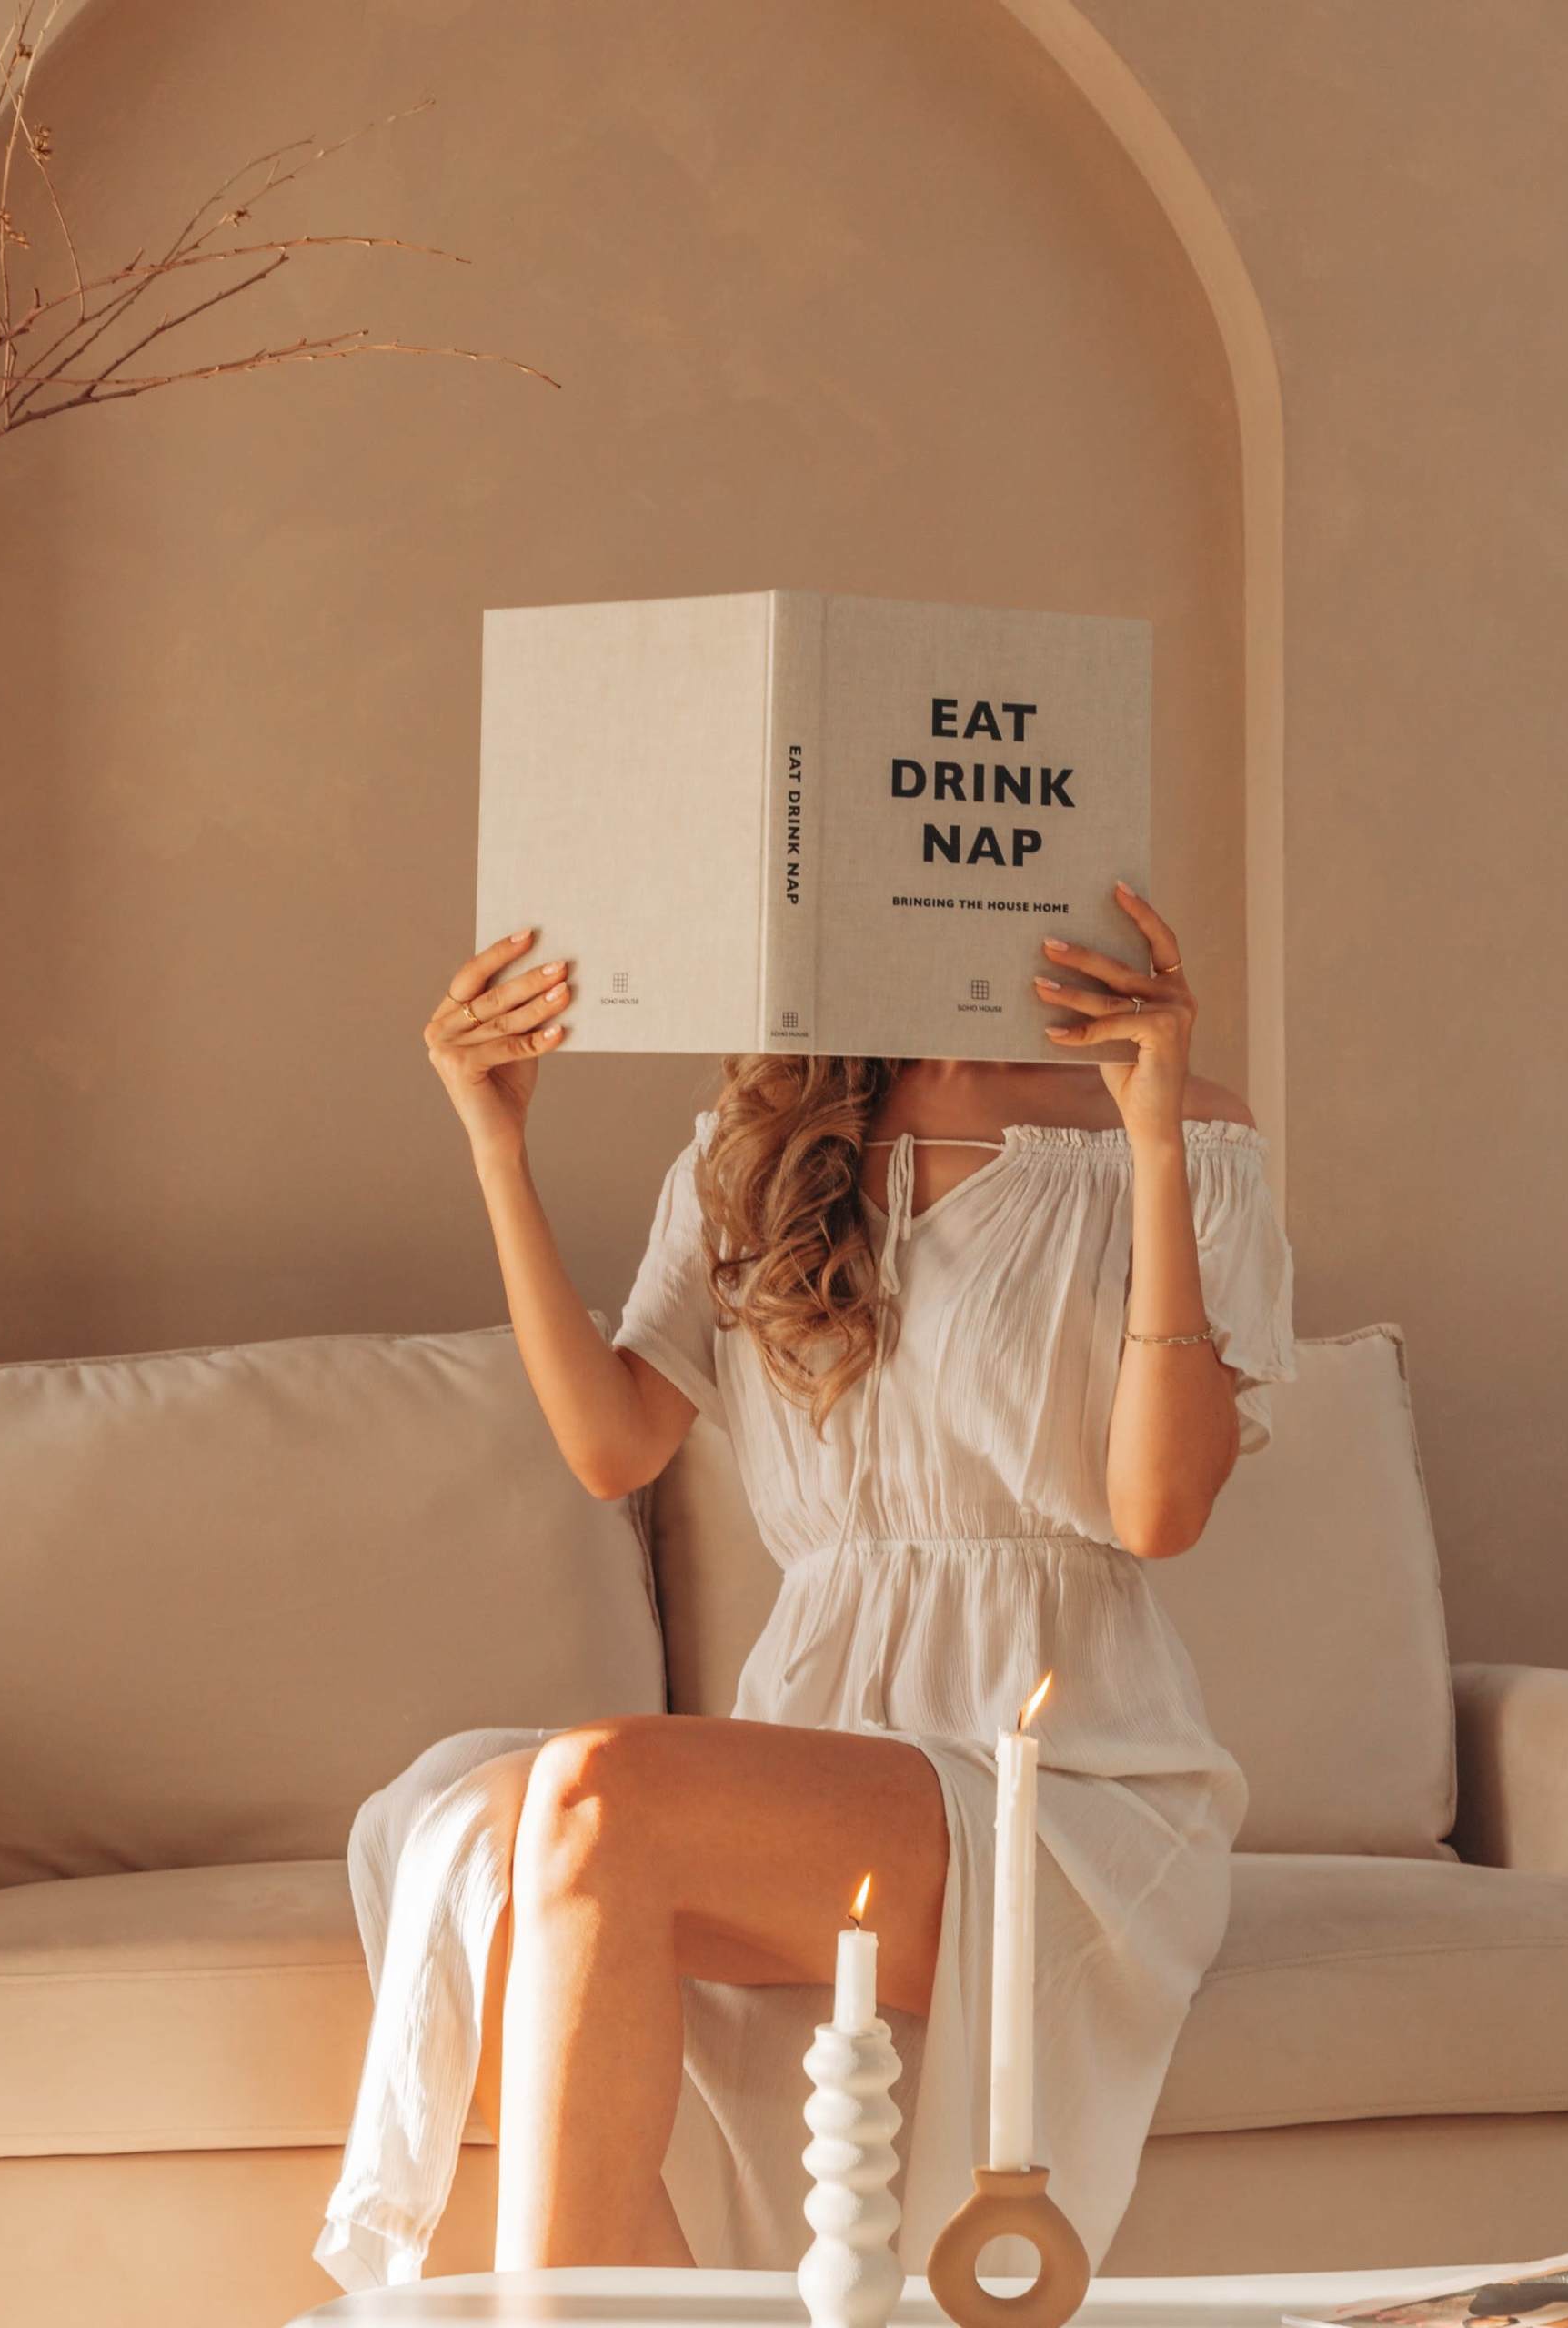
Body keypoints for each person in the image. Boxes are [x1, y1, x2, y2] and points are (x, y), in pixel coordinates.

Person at [314, 878, 1291, 2288]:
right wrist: (495, 1144)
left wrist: (1147, 1136)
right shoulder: (755, 1142)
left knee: (588, 1792)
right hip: (817, 1745)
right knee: (451, 1817)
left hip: (1057, 1774)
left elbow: (1160, 1507)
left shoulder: (1184, 1125)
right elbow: (611, 1445)